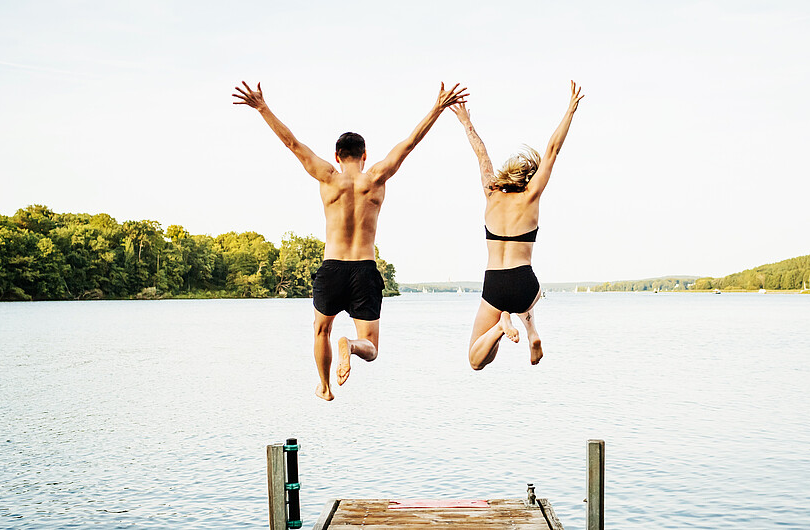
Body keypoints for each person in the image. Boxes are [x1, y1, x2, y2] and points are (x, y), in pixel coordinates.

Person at [233, 81, 468, 400]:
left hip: (332, 269)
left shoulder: (327, 176)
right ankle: (352, 346)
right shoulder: (376, 177)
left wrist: (262, 108)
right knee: (370, 348)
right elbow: (410, 143)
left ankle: (326, 387)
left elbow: (292, 143)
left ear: (337, 155)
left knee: (321, 330)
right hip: (364, 270)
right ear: (365, 155)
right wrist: (437, 108)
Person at [450, 81, 583, 370]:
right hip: (525, 283)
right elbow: (552, 150)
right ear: (528, 179)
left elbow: (481, 153)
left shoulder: (491, 193)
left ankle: (500, 326)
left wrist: (465, 121)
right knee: (531, 296)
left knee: (477, 360)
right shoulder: (531, 196)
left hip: (495, 283)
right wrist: (570, 110)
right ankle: (531, 331)